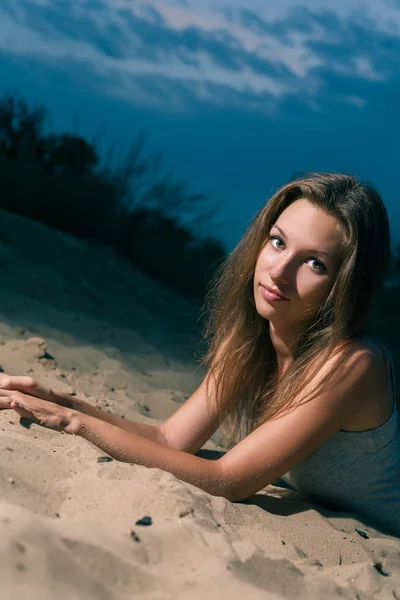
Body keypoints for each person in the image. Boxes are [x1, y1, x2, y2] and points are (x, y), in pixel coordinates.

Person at [0, 172, 399, 536]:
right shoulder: (255, 337)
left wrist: (72, 423)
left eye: (315, 263)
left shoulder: (355, 365)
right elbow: (170, 439)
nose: (279, 271)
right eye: (278, 242)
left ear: (345, 286)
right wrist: (58, 400)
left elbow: (228, 480)